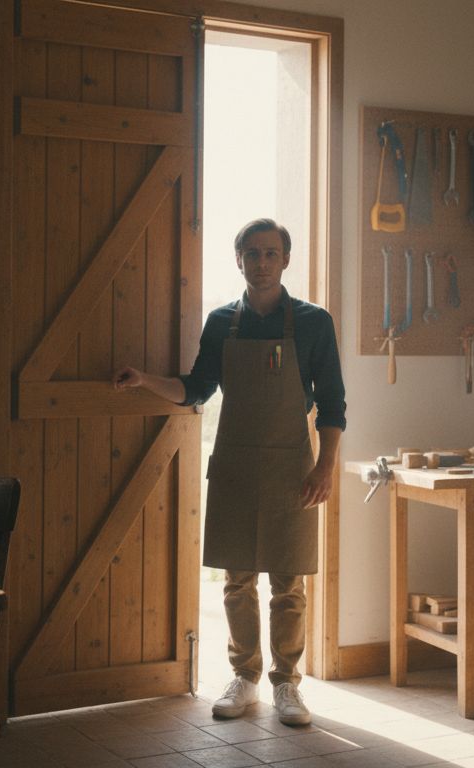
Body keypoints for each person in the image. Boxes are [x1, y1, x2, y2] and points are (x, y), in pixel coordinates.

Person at [112, 218, 345, 727]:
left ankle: (288, 685)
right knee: (237, 580)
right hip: (236, 463)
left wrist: (327, 465)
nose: (261, 262)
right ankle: (245, 678)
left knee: (289, 582)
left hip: (292, 468)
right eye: (252, 253)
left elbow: (332, 403)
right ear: (237, 258)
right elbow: (196, 388)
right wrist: (145, 380)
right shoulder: (222, 322)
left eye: (271, 253)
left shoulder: (312, 322)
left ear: (286, 260)